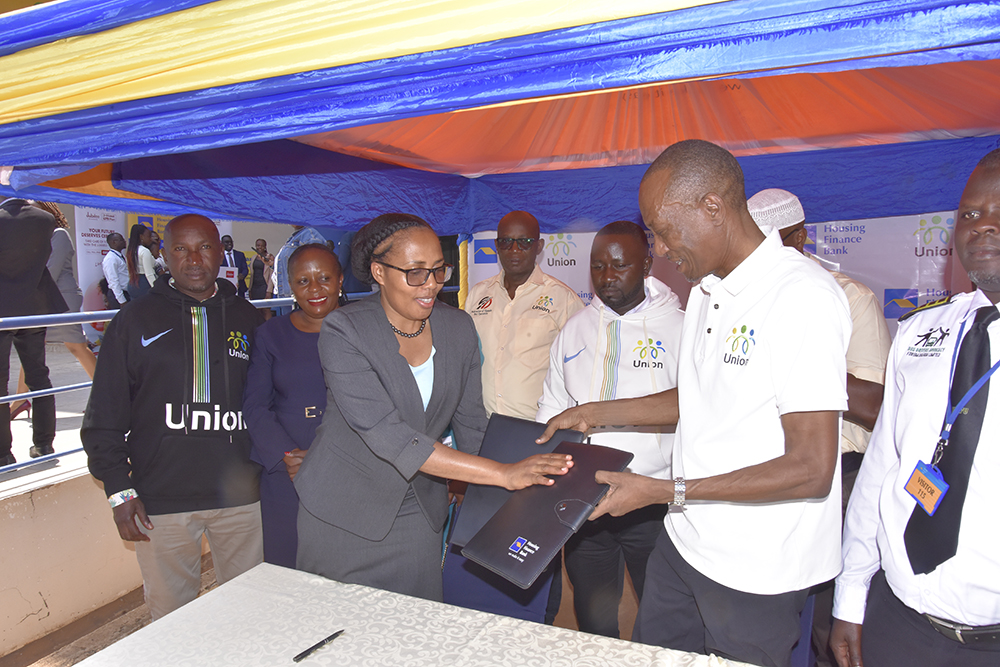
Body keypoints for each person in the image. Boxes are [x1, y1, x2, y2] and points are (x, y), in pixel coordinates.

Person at [540, 140, 851, 667]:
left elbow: (812, 468)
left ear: (713, 207)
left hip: (756, 566)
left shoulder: (801, 297)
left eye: (663, 229)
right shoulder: (707, 289)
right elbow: (698, 398)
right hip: (686, 544)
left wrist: (663, 490)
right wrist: (595, 412)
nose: (658, 249)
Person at [293, 213, 573, 603]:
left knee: (413, 632)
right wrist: (503, 474)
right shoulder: (345, 331)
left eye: (439, 271)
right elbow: (390, 436)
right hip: (344, 511)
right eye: (415, 273)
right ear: (378, 271)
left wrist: (519, 495)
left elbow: (473, 425)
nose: (431, 285)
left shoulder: (457, 328)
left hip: (418, 511)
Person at [830, 149, 1000, 667]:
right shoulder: (922, 332)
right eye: (970, 214)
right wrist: (850, 597)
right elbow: (883, 467)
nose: (983, 226)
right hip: (897, 619)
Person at [81, 214, 265, 620]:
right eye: (180, 249)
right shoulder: (133, 321)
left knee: (251, 618)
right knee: (171, 624)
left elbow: (270, 404)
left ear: (221, 252)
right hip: (158, 503)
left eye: (204, 248)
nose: (193, 259)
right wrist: (119, 490)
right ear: (164, 254)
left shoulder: (250, 320)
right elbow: (104, 415)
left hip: (241, 500)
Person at [747, 187, 892, 666]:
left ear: (801, 236)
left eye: (775, 245)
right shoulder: (745, 300)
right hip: (765, 472)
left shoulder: (852, 299)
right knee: (769, 615)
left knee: (829, 627)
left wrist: (804, 366)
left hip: (839, 479)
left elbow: (875, 406)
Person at [535, 220, 684, 638]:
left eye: (619, 265)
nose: (607, 277)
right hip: (585, 500)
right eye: (597, 266)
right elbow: (552, 405)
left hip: (654, 500)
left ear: (648, 263)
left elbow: (697, 410)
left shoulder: (681, 328)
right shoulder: (575, 328)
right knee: (594, 613)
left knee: (662, 615)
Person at [243, 243, 343, 568]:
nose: (315, 289)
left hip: (351, 472)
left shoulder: (366, 330)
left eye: (324, 278)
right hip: (288, 476)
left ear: (340, 281)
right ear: (290, 285)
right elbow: (256, 406)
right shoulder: (270, 335)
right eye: (303, 281)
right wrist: (287, 455)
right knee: (289, 572)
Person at [465, 210, 584, 419]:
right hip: (483, 426)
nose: (514, 250)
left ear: (538, 246)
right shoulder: (477, 295)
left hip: (537, 426)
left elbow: (582, 369)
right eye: (506, 242)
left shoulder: (564, 299)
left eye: (524, 242)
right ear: (496, 245)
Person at [11, 202, 99, 422]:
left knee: (76, 346)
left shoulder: (59, 234)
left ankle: (104, 397)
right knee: (30, 345)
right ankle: (21, 398)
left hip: (61, 300)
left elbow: (50, 270)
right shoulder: (35, 237)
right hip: (39, 299)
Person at [0, 198, 67, 465]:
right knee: (39, 377)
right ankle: (44, 445)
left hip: (3, 309)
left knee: (0, 385)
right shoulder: (45, 220)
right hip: (34, 306)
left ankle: (4, 454)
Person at [273, 226, 326, 300]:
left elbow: (315, 265)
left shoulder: (309, 234)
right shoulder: (294, 237)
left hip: (300, 297)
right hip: (287, 296)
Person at [125, 223, 156, 299]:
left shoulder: (130, 251)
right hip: (144, 284)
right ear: (141, 237)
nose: (150, 239)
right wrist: (156, 289)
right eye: (149, 236)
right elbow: (149, 274)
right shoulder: (144, 251)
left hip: (133, 284)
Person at [101, 232, 129, 308]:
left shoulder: (120, 256)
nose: (124, 241)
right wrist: (122, 301)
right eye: (121, 240)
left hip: (126, 293)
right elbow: (113, 281)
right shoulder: (111, 259)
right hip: (117, 295)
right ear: (114, 242)